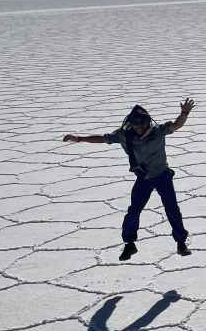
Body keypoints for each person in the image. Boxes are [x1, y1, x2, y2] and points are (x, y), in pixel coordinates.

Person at [62, 100, 194, 261]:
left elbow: (176, 125)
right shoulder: (125, 136)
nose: (138, 129)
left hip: (162, 176)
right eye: (135, 126)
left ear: (147, 124)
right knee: (134, 211)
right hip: (143, 178)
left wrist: (184, 113)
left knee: (172, 209)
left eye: (141, 126)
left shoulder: (158, 132)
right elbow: (103, 139)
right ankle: (129, 244)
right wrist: (79, 138)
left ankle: (181, 243)